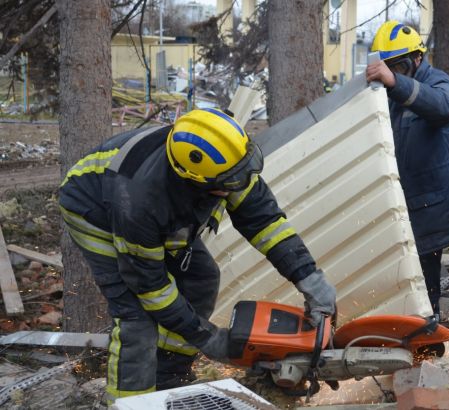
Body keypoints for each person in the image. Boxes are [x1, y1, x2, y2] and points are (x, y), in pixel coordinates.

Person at [59, 109, 337, 402]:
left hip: (154, 209)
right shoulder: (141, 204)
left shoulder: (227, 162)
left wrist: (309, 277)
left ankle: (168, 375)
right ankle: (130, 402)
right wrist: (207, 338)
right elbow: (151, 289)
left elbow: (265, 222)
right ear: (198, 183)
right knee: (136, 318)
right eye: (231, 182)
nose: (242, 182)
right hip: (93, 211)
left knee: (201, 278)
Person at [366, 21, 449, 320]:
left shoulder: (440, 84)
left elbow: (443, 108)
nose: (393, 74)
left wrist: (396, 83)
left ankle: (429, 341)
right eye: (389, 68)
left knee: (424, 281)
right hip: (398, 205)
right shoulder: (384, 93)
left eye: (400, 67)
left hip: (429, 207)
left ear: (418, 58)